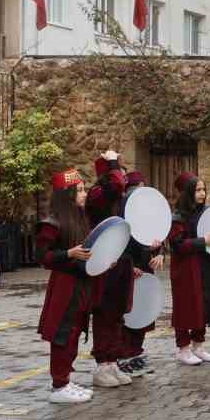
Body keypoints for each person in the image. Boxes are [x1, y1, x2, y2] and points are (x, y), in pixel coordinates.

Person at [36, 169, 97, 402]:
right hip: (64, 285)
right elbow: (42, 257)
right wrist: (68, 254)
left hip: (81, 284)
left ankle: (66, 380)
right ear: (67, 194)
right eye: (79, 190)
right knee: (63, 333)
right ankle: (59, 384)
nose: (84, 195)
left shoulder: (81, 218)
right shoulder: (52, 223)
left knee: (74, 331)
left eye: (84, 190)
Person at [85, 151, 134, 386]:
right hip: (105, 262)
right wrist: (113, 162)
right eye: (116, 171)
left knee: (117, 313)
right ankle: (101, 365)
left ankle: (113, 361)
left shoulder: (117, 197)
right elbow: (115, 184)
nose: (121, 177)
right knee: (104, 314)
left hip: (121, 260)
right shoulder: (97, 194)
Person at [168, 172, 210, 365]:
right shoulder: (178, 217)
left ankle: (198, 345)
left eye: (203, 189)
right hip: (184, 269)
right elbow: (178, 245)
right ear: (188, 192)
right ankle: (183, 348)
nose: (202, 193)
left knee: (203, 303)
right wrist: (202, 241)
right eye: (197, 190)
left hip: (203, 265)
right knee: (185, 307)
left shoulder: (205, 214)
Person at [117, 169, 163, 376]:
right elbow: (118, 246)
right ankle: (123, 356)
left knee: (144, 311)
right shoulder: (121, 217)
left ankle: (136, 353)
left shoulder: (148, 215)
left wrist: (159, 253)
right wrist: (128, 266)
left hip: (145, 269)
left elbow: (156, 239)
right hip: (128, 269)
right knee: (128, 315)